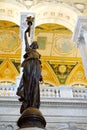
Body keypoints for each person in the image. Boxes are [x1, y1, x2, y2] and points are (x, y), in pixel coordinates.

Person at [16, 17, 42, 113]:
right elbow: (26, 37)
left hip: (36, 66)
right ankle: (27, 100)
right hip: (29, 65)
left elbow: (40, 65)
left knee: (35, 84)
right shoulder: (29, 50)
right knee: (28, 82)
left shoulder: (38, 55)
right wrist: (29, 27)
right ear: (31, 46)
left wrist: (41, 74)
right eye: (34, 44)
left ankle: (33, 103)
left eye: (36, 44)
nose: (35, 45)